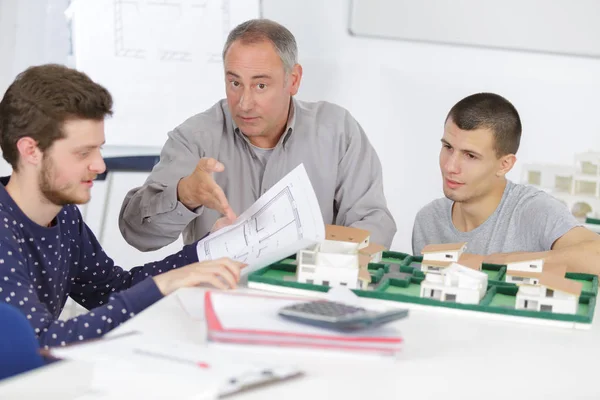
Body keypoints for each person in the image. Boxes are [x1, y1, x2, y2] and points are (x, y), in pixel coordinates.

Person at [0, 64, 245, 348]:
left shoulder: (64, 215)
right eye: (83, 153)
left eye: (99, 148)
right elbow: (40, 341)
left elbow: (110, 290)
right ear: (31, 151)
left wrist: (205, 251)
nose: (99, 165)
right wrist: (164, 284)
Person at [119, 18, 396, 251]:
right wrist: (185, 195)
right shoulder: (194, 138)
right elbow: (137, 234)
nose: (244, 102)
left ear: (294, 80)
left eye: (261, 85)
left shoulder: (337, 130)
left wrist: (325, 263)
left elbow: (373, 221)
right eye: (235, 82)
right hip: (217, 297)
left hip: (308, 292)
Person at [411, 92, 600, 275]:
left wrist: (487, 264)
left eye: (470, 156)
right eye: (448, 147)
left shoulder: (535, 211)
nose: (450, 166)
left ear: (504, 165)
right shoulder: (428, 222)